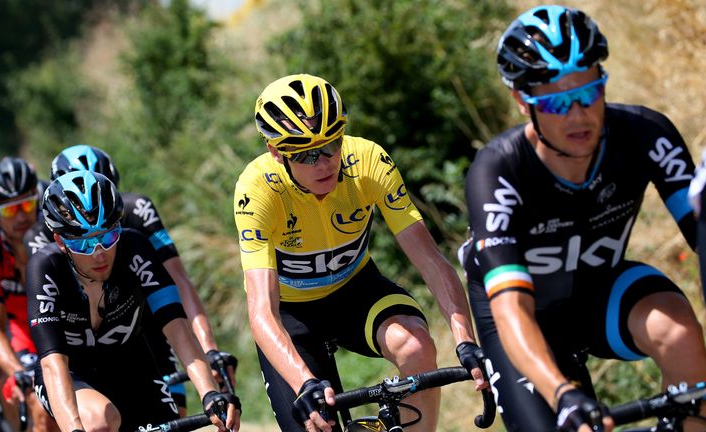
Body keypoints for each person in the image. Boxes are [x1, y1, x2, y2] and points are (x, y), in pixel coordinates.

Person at [459, 5, 706, 432]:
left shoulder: (645, 134)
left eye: (589, 92)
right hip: (522, 313)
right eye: (557, 101)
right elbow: (513, 307)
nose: (579, 115)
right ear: (522, 102)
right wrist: (564, 395)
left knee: (678, 331)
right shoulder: (498, 170)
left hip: (598, 292)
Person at [234, 73, 485, 432]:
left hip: (355, 290)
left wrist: (464, 340)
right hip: (292, 315)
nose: (324, 161)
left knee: (415, 347)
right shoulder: (257, 191)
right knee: (317, 423)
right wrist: (305, 383)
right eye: (306, 153)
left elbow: (430, 260)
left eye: (331, 144)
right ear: (277, 152)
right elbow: (261, 311)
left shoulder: (367, 161)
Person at [24, 144, 237, 408]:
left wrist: (209, 348)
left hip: (138, 324)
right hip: (75, 338)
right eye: (83, 240)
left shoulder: (137, 212)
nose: (98, 247)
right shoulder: (40, 239)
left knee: (174, 411)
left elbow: (177, 281)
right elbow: (45, 318)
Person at [0, 157, 56, 431]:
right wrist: (17, 372)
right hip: (24, 337)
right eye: (10, 210)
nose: (21, 216)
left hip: (65, 323)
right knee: (41, 405)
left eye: (27, 204)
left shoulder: (57, 228)